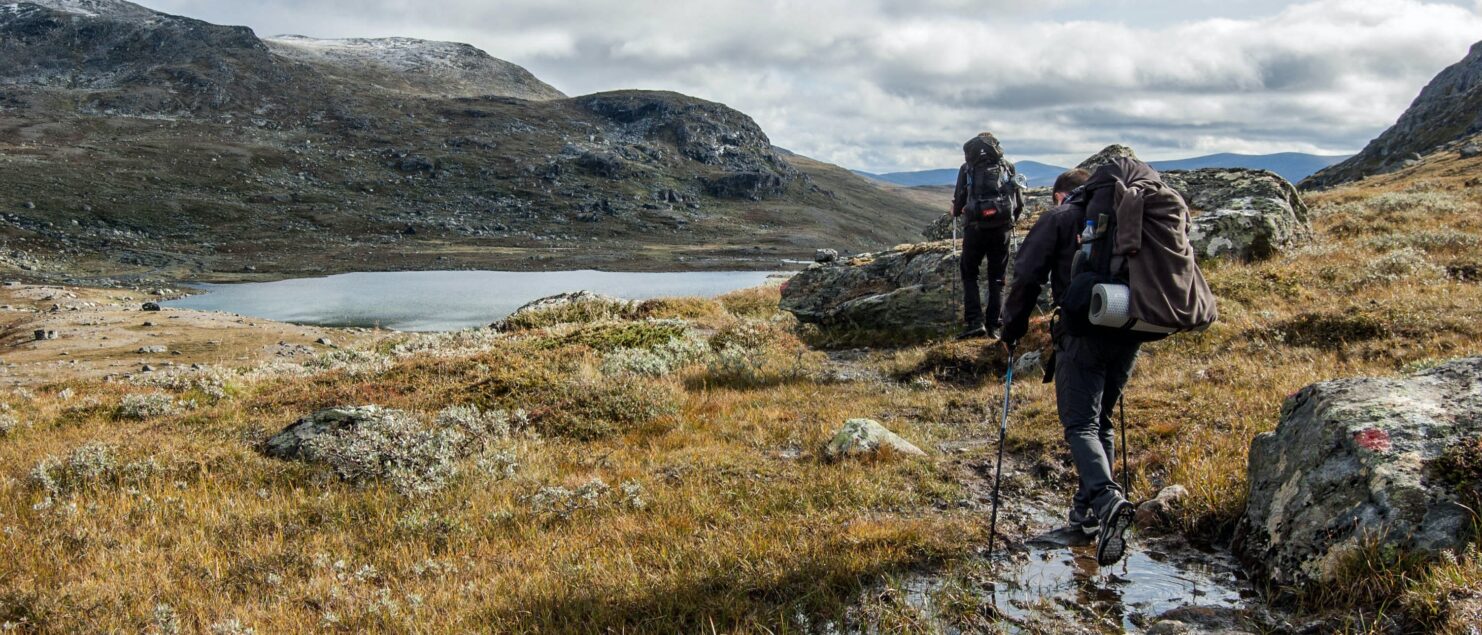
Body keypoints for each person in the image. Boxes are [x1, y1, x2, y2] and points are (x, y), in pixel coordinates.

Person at [999, 167, 1137, 566]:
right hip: (1129, 325)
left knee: (1081, 424)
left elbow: (1026, 276)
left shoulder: (1060, 217)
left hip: (1083, 331)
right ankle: (1089, 516)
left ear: (1063, 195)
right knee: (1101, 420)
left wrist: (1012, 330)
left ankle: (1108, 503)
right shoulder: (1130, 212)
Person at [951, 132, 1024, 340]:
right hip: (1001, 229)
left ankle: (974, 322)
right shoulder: (1007, 167)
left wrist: (956, 211)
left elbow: (959, 203)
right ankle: (995, 326)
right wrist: (1011, 222)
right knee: (998, 277)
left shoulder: (967, 168)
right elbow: (1018, 202)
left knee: (970, 273)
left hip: (975, 229)